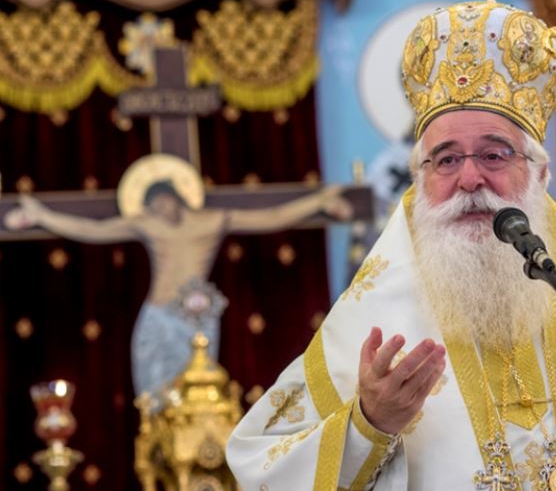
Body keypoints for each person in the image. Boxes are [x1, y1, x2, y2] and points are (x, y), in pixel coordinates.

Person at [226, 0, 556, 490]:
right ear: (419, 180)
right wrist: (369, 424)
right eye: (446, 159)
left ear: (540, 173)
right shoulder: (376, 311)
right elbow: (262, 464)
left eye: (494, 154)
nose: (469, 179)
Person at [8, 167, 351, 400]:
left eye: (163, 202)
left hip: (196, 321)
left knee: (197, 397)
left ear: (176, 197)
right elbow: (94, 231)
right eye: (153, 206)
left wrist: (318, 201)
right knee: (155, 398)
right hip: (157, 318)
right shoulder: (147, 224)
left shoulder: (211, 221)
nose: (160, 210)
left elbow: (271, 218)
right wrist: (42, 216)